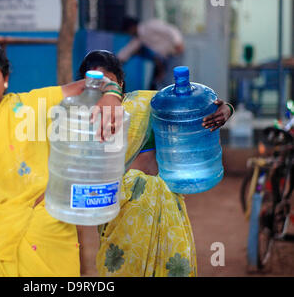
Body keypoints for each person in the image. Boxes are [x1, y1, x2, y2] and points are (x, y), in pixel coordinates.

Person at [0, 39, 123, 277]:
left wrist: (112, 95)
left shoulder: (29, 107)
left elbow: (98, 81)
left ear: (5, 78)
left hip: (46, 238)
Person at [77, 50, 233, 277]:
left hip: (165, 202)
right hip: (122, 215)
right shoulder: (83, 122)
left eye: (108, 83)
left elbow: (192, 107)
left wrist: (226, 108)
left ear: (120, 82)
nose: (102, 91)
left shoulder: (148, 103)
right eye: (93, 84)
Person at [118, 17, 184, 91]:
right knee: (158, 82)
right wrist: (117, 61)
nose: (129, 34)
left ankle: (171, 99)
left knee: (169, 81)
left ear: (131, 28)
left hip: (174, 53)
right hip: (162, 58)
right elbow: (128, 50)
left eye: (128, 32)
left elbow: (171, 29)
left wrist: (178, 42)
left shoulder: (150, 26)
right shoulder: (139, 38)